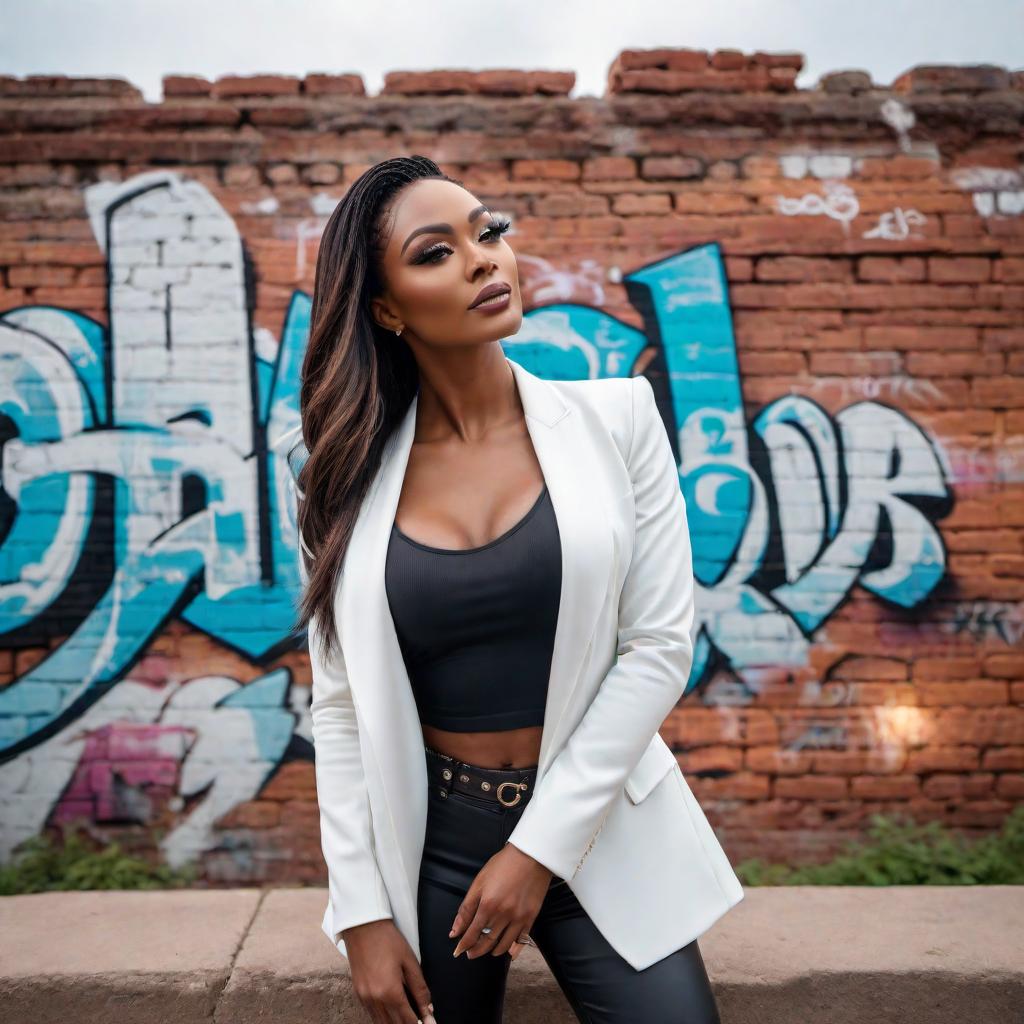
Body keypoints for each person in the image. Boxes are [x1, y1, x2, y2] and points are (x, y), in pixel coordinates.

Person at [285, 155, 743, 1024]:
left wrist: (536, 851)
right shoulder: (338, 480)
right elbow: (340, 708)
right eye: (436, 253)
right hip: (434, 842)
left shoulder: (619, 420)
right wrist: (363, 913)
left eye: (487, 231)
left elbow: (656, 649)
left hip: (598, 821)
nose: (484, 259)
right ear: (384, 308)